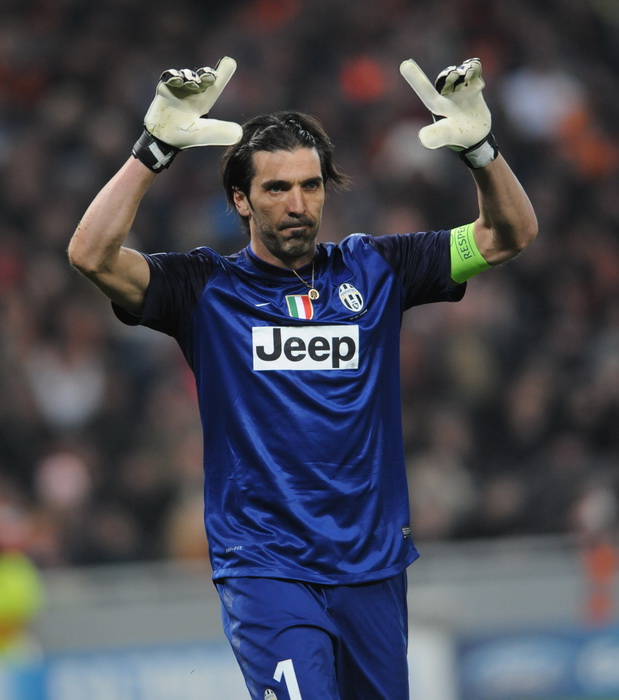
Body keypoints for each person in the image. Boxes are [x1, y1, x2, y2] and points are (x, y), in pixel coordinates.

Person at [67, 55, 537, 699]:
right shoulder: (204, 289)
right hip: (267, 568)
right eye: (277, 188)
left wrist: (482, 152)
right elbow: (90, 253)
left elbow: (509, 235)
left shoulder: (378, 270)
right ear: (241, 199)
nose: (298, 205)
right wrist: (153, 151)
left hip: (371, 566)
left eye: (311, 186)